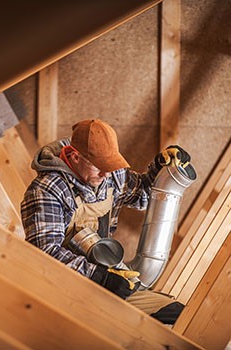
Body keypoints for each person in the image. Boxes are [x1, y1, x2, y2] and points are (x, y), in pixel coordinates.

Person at [21, 119, 190, 324]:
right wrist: (99, 277)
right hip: (64, 291)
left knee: (180, 316)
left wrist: (159, 170)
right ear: (74, 157)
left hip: (104, 278)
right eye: (99, 167)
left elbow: (142, 196)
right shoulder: (47, 190)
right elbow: (45, 254)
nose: (106, 173)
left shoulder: (111, 174)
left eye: (110, 165)